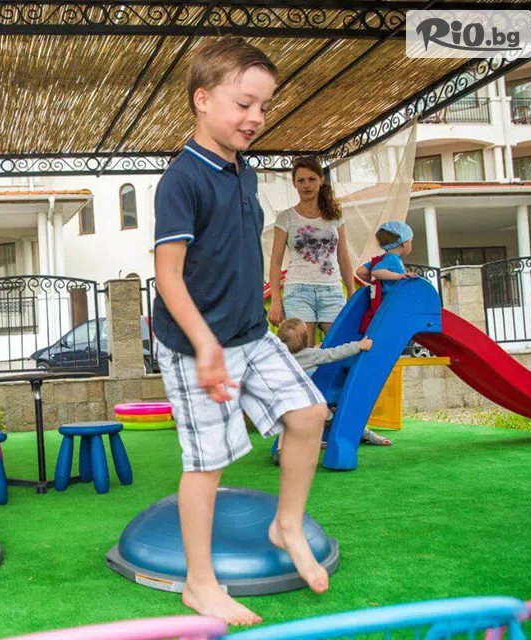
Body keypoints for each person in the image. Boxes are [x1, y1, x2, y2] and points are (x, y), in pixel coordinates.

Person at [151, 37, 329, 627]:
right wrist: (205, 345)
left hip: (251, 333)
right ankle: (200, 584)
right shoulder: (182, 179)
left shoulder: (243, 173)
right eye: (244, 104)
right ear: (202, 99)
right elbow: (168, 275)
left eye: (263, 106)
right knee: (208, 462)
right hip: (196, 344)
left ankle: (286, 526)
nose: (256, 117)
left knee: (309, 414)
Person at [274, 318, 390, 466]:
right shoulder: (310, 356)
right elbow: (335, 353)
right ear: (306, 340)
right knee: (330, 416)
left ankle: (280, 450)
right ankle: (343, 427)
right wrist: (358, 345)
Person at [268, 156, 354, 347]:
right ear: (294, 184)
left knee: (340, 344)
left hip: (332, 290)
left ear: (321, 180)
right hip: (298, 291)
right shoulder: (286, 218)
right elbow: (275, 261)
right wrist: (275, 299)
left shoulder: (335, 217)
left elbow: (343, 257)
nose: (306, 185)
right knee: (304, 349)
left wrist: (351, 291)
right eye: (301, 180)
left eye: (311, 179)